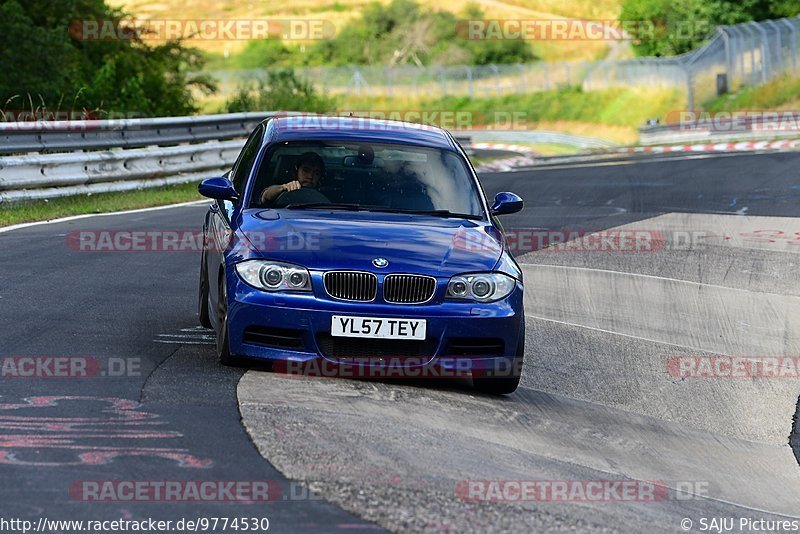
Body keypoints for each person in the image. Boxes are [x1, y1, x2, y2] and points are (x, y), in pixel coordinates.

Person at [260, 151, 326, 204]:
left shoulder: (327, 194)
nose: (310, 176)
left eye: (316, 173)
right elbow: (266, 196)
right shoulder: (285, 189)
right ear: (297, 170)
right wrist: (283, 187)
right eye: (306, 170)